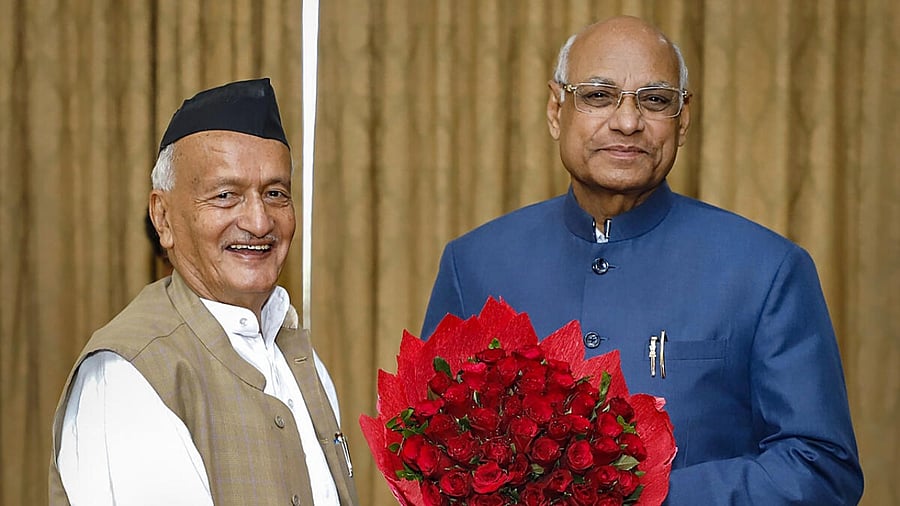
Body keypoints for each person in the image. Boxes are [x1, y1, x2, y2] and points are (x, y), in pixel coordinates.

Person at [422, 16, 863, 505]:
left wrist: (640, 497)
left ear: (683, 119)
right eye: (598, 96)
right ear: (555, 110)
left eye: (654, 100)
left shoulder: (766, 270)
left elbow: (822, 467)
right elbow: (429, 454)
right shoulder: (475, 264)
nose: (628, 122)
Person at [49, 78, 359, 505]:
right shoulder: (128, 376)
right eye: (226, 195)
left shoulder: (296, 355)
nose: (259, 222)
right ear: (163, 218)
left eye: (275, 194)